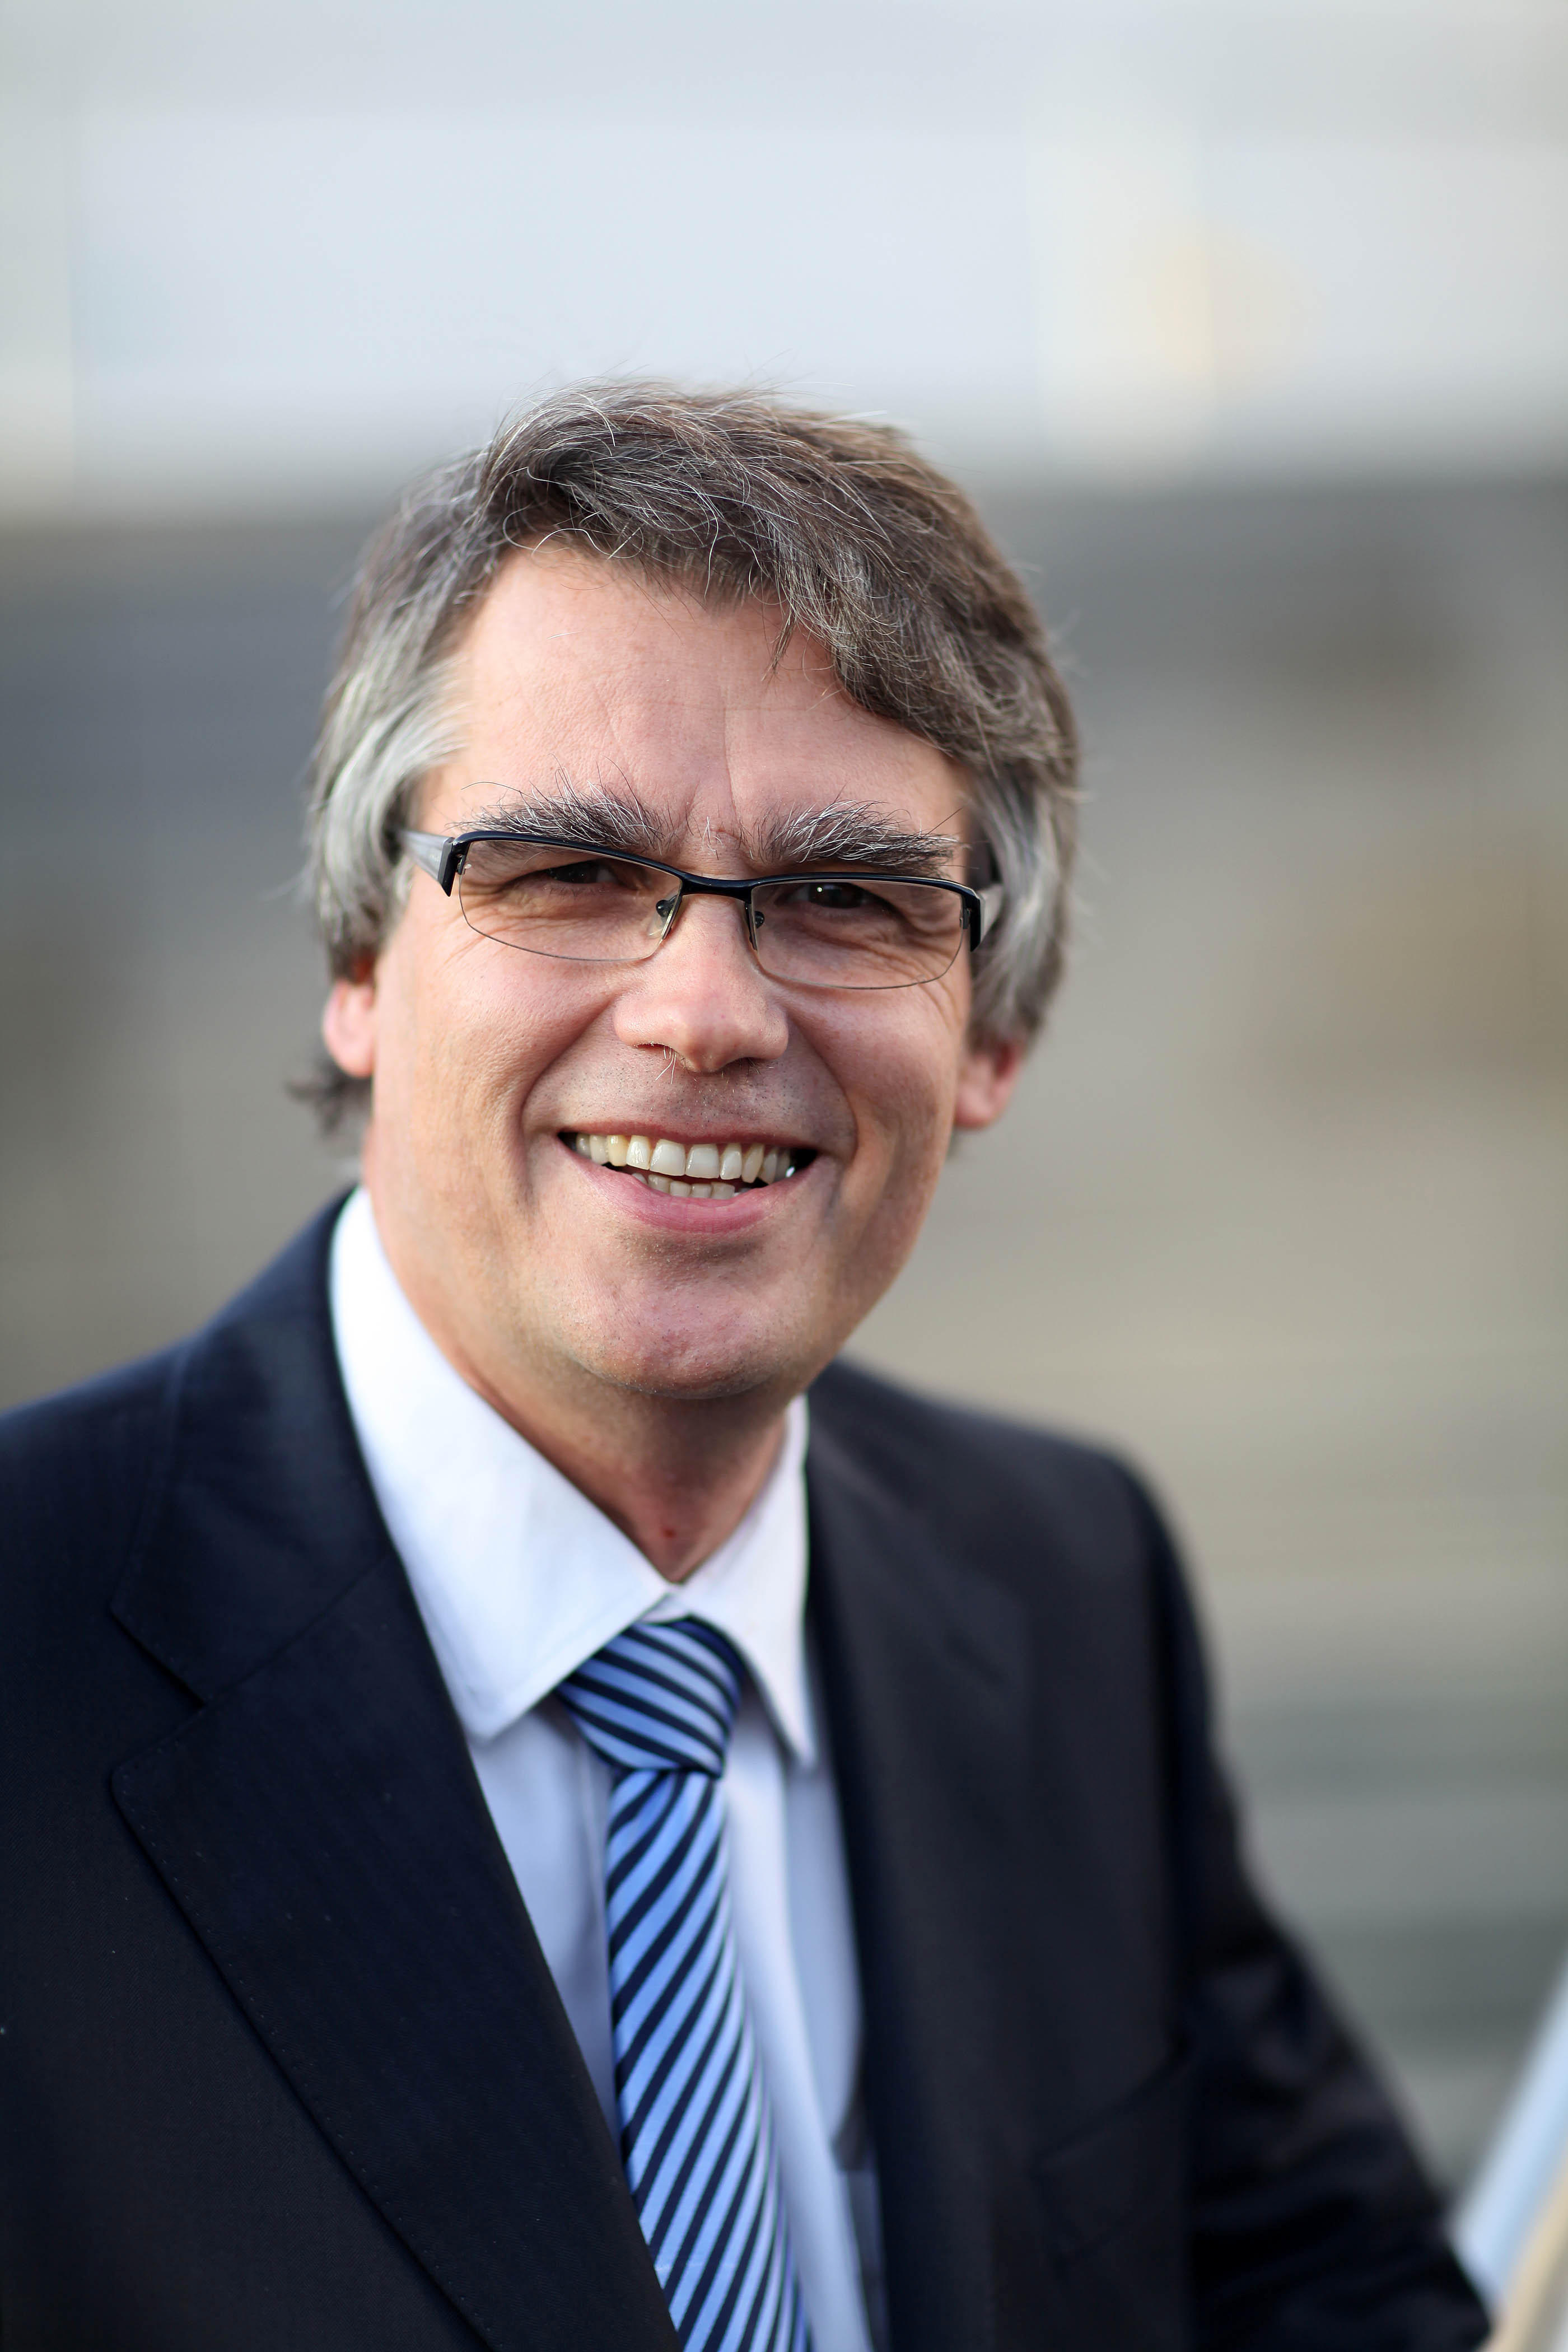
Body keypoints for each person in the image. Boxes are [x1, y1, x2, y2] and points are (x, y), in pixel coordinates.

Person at [1, 385, 1487, 2352]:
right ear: (359, 965)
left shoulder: (1064, 1585)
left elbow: (1332, 2299)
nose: (704, 1011)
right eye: (565, 871)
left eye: (847, 899)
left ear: (991, 1040)